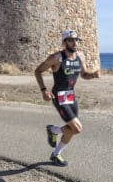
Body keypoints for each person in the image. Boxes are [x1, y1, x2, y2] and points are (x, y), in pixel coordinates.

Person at [34, 30, 100, 166]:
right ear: (64, 42)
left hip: (71, 95)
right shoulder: (56, 58)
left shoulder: (80, 56)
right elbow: (38, 71)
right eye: (71, 40)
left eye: (76, 40)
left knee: (72, 129)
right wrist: (44, 90)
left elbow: (84, 74)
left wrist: (92, 75)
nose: (75, 42)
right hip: (59, 96)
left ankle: (55, 152)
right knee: (77, 128)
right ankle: (53, 131)